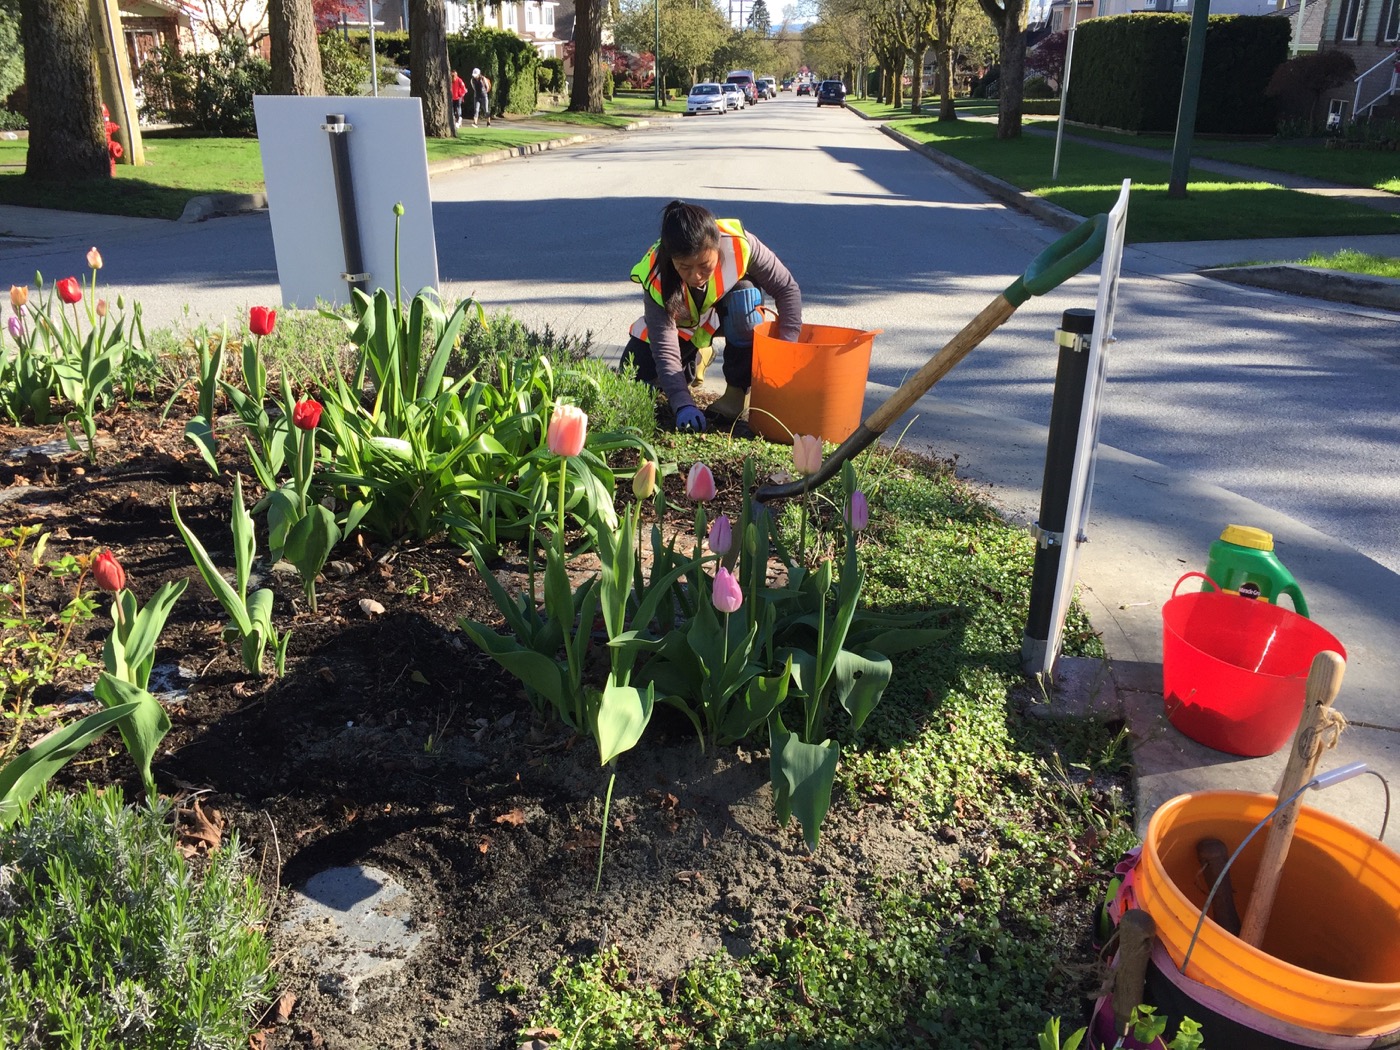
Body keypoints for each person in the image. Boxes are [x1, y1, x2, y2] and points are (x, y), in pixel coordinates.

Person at [621, 201, 802, 431]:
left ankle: (736, 393)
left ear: (717, 246)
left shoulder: (739, 244)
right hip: (683, 330)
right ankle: (698, 358)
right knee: (637, 378)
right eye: (684, 267)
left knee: (744, 294)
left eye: (705, 265)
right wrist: (682, 402)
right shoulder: (655, 273)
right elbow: (664, 347)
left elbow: (787, 289)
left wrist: (787, 347)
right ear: (671, 259)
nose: (696, 275)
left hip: (729, 317)